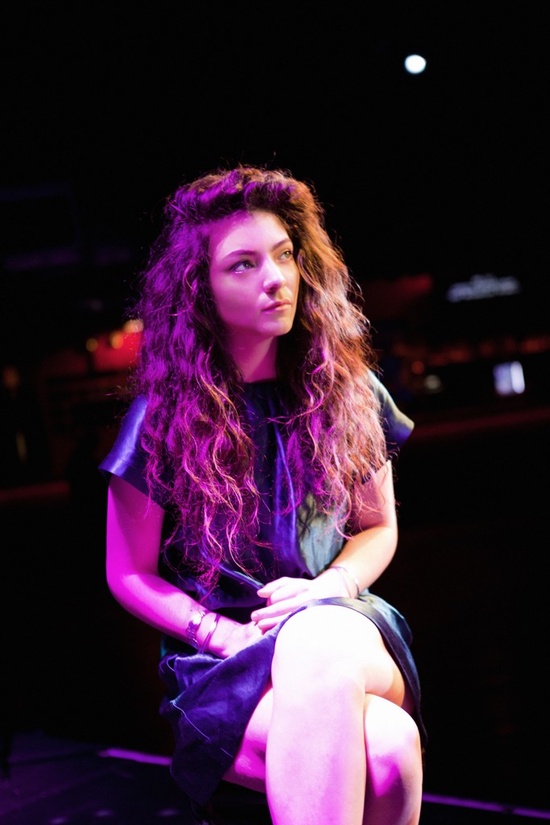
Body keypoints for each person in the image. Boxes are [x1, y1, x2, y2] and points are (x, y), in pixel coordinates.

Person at [100, 165, 426, 825]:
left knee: (315, 639)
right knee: (389, 746)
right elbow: (127, 572)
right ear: (200, 289)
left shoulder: (349, 390)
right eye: (243, 265)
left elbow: (378, 527)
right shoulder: (162, 418)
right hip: (224, 657)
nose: (275, 278)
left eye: (283, 255)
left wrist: (327, 588)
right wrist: (218, 632)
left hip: (341, 622)